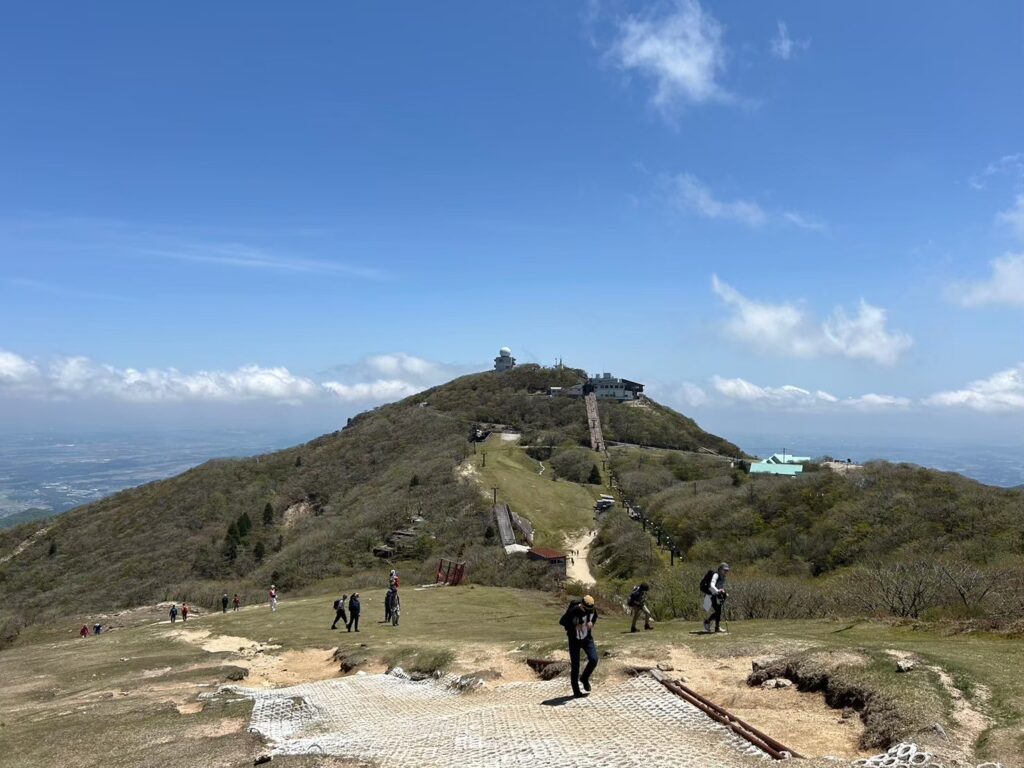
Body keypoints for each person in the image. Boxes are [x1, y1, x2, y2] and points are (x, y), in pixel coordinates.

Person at [559, 594, 599, 698]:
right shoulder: (573, 610)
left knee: (594, 659)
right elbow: (562, 622)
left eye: (590, 609)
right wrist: (575, 625)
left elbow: (595, 616)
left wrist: (592, 623)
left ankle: (584, 678)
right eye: (587, 609)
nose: (588, 611)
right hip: (574, 640)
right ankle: (576, 691)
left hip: (587, 639)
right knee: (575, 665)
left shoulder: (592, 610)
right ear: (582, 605)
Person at [701, 562, 730, 633]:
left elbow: (720, 586)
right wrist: (718, 591)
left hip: (715, 594)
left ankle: (714, 625)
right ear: (720, 569)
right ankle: (710, 623)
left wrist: (723, 591)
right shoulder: (716, 575)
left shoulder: (723, 577)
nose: (726, 572)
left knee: (718, 611)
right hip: (710, 594)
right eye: (724, 570)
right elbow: (712, 585)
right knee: (718, 611)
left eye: (727, 570)